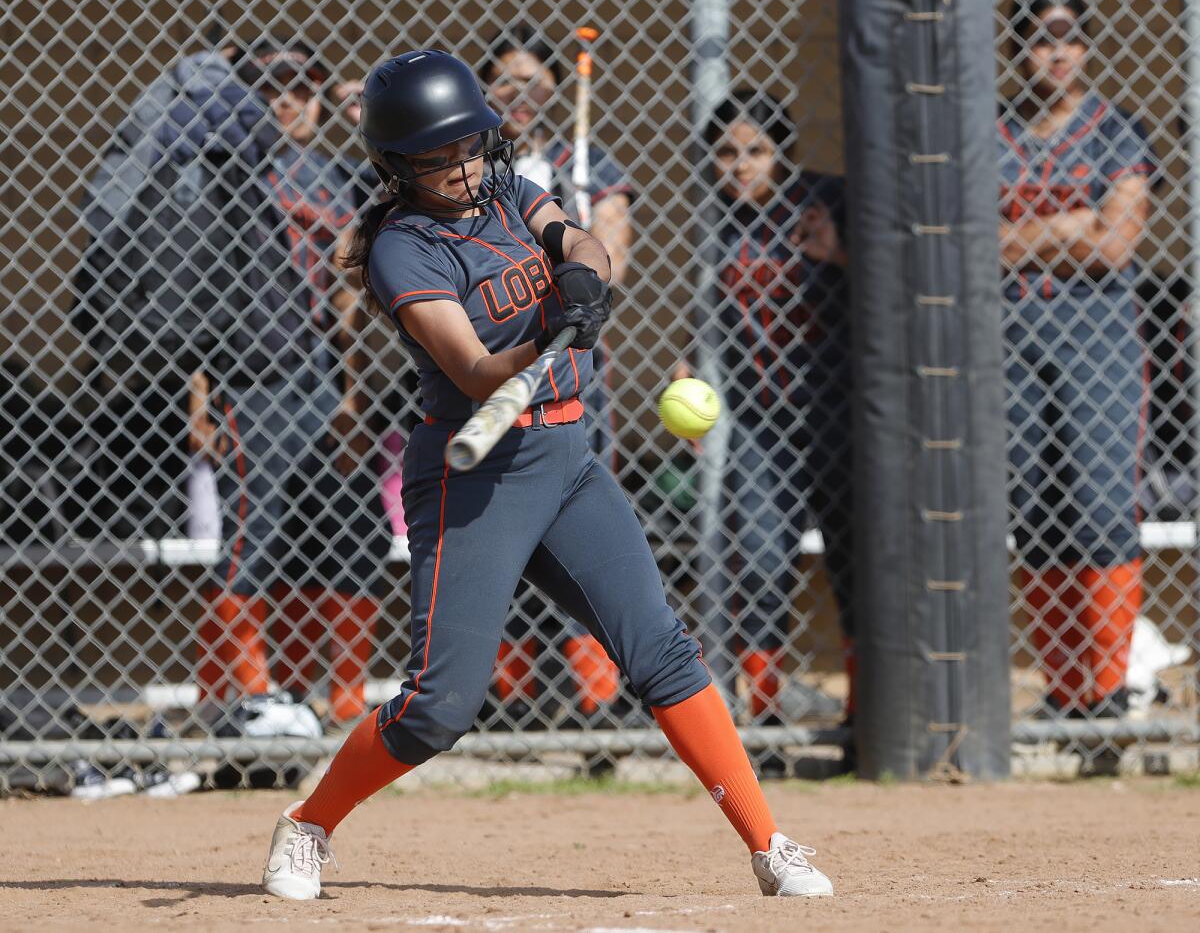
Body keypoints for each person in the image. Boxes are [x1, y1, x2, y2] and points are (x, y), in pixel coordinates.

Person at [259, 50, 833, 901]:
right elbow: (476, 370)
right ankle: (308, 823)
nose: (458, 168)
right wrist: (548, 332)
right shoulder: (401, 247)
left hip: (568, 462)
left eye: (468, 148)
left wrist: (580, 275)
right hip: (475, 479)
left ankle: (768, 841)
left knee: (662, 651)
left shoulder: (507, 191)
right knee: (439, 707)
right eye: (435, 157)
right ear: (396, 165)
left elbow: (583, 239)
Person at [186, 37, 391, 726]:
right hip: (254, 378)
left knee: (340, 530)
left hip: (327, 379)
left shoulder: (341, 177)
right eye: (269, 87)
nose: (287, 99)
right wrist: (201, 398)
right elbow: (198, 297)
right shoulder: (234, 178)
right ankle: (230, 695)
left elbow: (394, 197)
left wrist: (354, 401)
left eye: (303, 85)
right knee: (256, 531)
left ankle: (332, 701)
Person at [680, 91, 855, 774]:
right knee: (760, 559)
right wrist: (690, 360)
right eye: (726, 152)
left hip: (838, 410)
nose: (740, 165)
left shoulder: (825, 200)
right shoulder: (717, 220)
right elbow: (713, 311)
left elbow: (886, 288)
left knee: (852, 562)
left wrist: (837, 252)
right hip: (760, 421)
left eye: (755, 150)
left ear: (781, 152)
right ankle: (769, 717)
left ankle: (861, 719)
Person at [1000, 0, 1156, 717]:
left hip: (1098, 343)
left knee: (1098, 508)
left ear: (1086, 48)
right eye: (1039, 41)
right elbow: (973, 246)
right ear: (1018, 51)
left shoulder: (1117, 131)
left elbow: (1116, 244)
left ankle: (1108, 689)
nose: (1055, 54)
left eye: (1067, 40)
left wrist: (1025, 234)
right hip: (1011, 343)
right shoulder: (991, 133)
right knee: (1034, 511)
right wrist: (1069, 222)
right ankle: (1066, 691)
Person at [477, 25, 636, 734]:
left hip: (568, 370)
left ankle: (595, 700)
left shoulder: (582, 163)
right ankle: (508, 698)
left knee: (579, 533)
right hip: (492, 372)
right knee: (500, 532)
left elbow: (614, 257)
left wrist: (577, 243)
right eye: (504, 82)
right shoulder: (471, 167)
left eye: (533, 82)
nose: (519, 95)